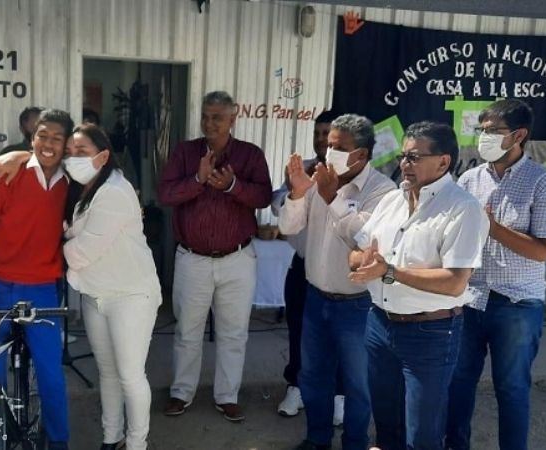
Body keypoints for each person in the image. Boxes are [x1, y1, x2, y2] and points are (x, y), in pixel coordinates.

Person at [349, 122, 489, 450]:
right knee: (386, 426)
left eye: (413, 157)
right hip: (379, 326)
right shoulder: (392, 201)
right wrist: (360, 262)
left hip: (431, 334)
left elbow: (455, 282)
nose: (403, 164)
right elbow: (357, 251)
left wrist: (390, 272)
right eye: (402, 156)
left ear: (443, 161)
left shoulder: (463, 208)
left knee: (422, 435)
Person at [446, 100, 546, 450]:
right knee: (459, 382)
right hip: (470, 299)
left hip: (517, 304)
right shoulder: (469, 179)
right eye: (481, 130)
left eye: (493, 131)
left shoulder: (542, 182)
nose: (484, 137)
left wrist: (493, 228)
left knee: (511, 387)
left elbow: (544, 250)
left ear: (519, 135)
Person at [278, 114, 395, 450]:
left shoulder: (382, 192)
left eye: (339, 147)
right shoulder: (318, 180)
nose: (329, 153)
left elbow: (368, 241)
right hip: (315, 298)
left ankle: (355, 443)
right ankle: (317, 439)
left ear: (362, 154)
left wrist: (333, 198)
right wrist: (299, 194)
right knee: (314, 377)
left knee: (358, 384)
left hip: (359, 305)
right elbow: (288, 227)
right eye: (328, 145)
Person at [0, 109, 74, 450]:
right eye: (42, 136)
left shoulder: (72, 183)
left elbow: (100, 162)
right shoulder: (2, 176)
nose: (48, 144)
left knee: (52, 374)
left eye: (57, 138)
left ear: (67, 145)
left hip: (42, 290)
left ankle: (58, 441)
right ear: (31, 137)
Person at [158, 91, 272, 422]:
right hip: (192, 258)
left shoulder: (250, 155)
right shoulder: (185, 152)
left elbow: (263, 196)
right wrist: (197, 179)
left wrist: (233, 186)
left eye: (217, 117)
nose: (209, 122)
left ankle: (227, 395)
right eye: (206, 116)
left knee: (234, 332)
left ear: (233, 119)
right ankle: (181, 392)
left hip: (237, 259)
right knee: (187, 330)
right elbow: (165, 194)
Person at [62, 124, 161, 450]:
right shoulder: (83, 188)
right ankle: (111, 437)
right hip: (96, 294)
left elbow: (83, 251)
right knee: (107, 372)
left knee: (130, 376)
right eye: (70, 152)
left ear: (103, 156)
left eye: (81, 152)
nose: (72, 158)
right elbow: (77, 240)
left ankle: (136, 443)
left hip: (130, 296)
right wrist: (70, 240)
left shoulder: (116, 190)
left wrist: (61, 244)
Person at [271, 110, 340, 419]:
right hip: (302, 267)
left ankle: (340, 394)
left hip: (341, 271)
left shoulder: (353, 174)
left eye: (328, 134)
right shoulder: (303, 170)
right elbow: (276, 204)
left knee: (339, 336)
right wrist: (294, 190)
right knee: (299, 331)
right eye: (318, 133)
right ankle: (296, 387)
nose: (322, 139)